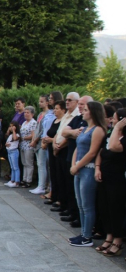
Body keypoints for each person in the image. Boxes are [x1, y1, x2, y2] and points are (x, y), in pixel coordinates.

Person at [68, 101, 107, 247]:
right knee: (80, 204)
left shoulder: (98, 130)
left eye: (85, 110)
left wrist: (77, 165)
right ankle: (83, 232)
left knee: (87, 205)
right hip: (79, 168)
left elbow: (92, 152)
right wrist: (74, 165)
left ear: (93, 112)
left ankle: (87, 236)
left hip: (88, 169)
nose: (82, 112)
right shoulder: (84, 129)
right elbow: (77, 148)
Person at [95, 108, 126, 256]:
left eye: (114, 119)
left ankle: (118, 240)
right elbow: (102, 152)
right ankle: (109, 236)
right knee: (104, 207)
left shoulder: (122, 138)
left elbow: (114, 147)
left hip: (117, 179)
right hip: (104, 176)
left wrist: (118, 128)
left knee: (115, 209)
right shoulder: (110, 135)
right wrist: (97, 168)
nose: (112, 121)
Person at [60, 96, 93, 225]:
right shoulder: (77, 118)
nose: (80, 107)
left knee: (83, 196)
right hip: (72, 157)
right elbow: (64, 132)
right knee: (70, 187)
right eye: (79, 104)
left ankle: (81, 220)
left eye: (83, 105)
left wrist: (71, 133)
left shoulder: (90, 123)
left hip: (84, 163)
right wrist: (73, 132)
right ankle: (72, 211)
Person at [51, 92, 81, 214]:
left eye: (70, 100)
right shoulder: (66, 115)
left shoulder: (77, 115)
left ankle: (71, 208)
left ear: (77, 102)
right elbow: (60, 132)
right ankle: (62, 203)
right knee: (60, 178)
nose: (67, 102)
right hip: (58, 148)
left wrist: (59, 147)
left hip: (66, 150)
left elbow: (69, 136)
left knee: (68, 180)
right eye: (66, 99)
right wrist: (54, 144)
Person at [42, 100, 66, 207]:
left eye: (57, 109)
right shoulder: (55, 120)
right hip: (51, 149)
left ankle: (60, 198)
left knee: (59, 174)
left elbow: (60, 136)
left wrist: (51, 140)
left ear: (63, 110)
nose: (55, 111)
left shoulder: (64, 121)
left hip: (59, 149)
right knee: (53, 173)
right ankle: (53, 195)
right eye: (54, 109)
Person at [29, 95, 54, 195]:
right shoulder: (40, 114)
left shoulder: (50, 114)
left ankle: (42, 186)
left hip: (41, 141)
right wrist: (33, 139)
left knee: (42, 164)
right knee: (39, 164)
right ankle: (40, 185)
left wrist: (36, 140)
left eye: (42, 101)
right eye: (39, 101)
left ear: (47, 103)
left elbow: (44, 130)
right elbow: (37, 128)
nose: (40, 103)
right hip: (36, 141)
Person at [19, 106, 37, 188]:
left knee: (29, 163)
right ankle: (24, 178)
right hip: (22, 145)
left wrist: (23, 138)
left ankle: (28, 180)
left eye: (28, 112)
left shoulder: (33, 123)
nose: (26, 114)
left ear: (32, 114)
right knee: (24, 162)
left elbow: (33, 135)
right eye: (25, 112)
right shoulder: (24, 123)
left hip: (28, 145)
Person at [4, 122, 21, 187]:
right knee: (12, 167)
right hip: (9, 151)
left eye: (12, 126)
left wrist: (14, 130)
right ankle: (12, 180)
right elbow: (7, 140)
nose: (10, 128)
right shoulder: (10, 135)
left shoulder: (17, 135)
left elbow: (15, 138)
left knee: (16, 167)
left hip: (14, 152)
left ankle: (17, 181)